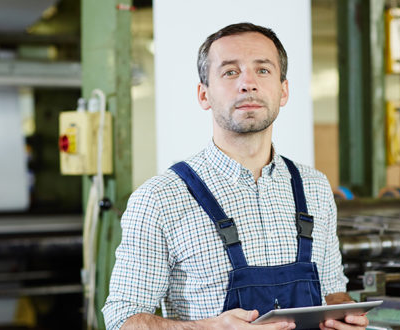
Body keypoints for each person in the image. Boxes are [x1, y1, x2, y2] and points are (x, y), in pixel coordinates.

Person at [102, 22, 370, 330]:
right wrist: (210, 328)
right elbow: (122, 320)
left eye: (263, 70)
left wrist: (344, 312)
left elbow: (333, 290)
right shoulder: (159, 198)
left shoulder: (315, 187)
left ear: (283, 91)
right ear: (204, 95)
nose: (248, 83)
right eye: (230, 72)